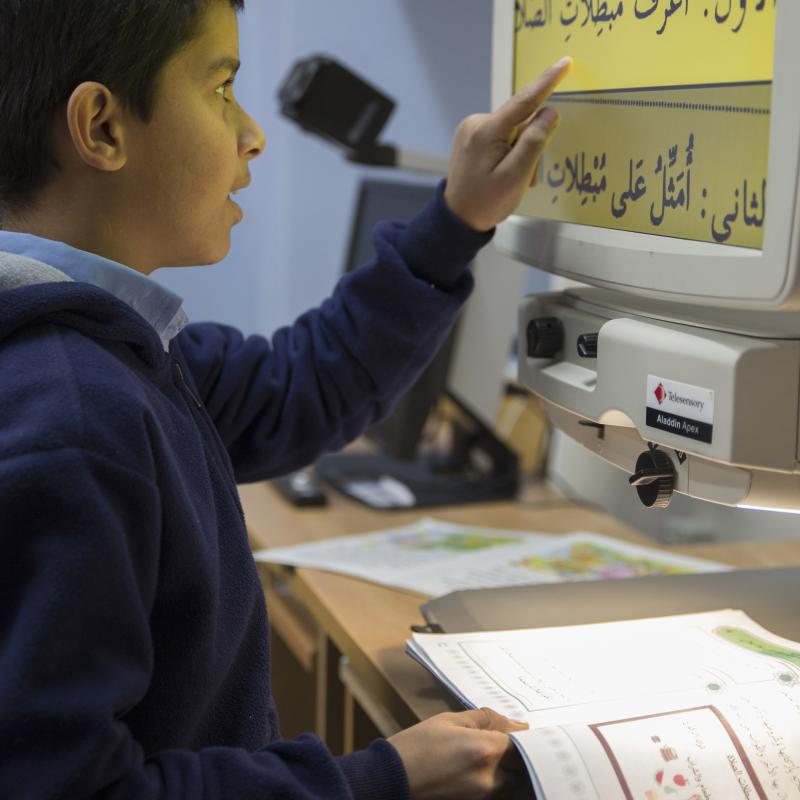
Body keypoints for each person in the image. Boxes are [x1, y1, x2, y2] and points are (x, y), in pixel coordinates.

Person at [0, 1, 570, 797]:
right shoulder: (74, 412)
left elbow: (296, 390)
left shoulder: (108, 351)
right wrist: (378, 778)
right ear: (101, 128)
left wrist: (456, 220)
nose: (252, 134)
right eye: (222, 90)